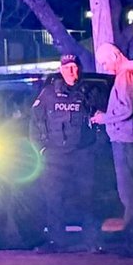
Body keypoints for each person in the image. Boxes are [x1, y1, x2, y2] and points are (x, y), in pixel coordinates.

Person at [29, 53, 102, 252]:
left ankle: (92, 241)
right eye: (68, 67)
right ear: (61, 70)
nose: (73, 71)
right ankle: (57, 241)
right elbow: (35, 122)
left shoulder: (90, 92)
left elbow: (102, 119)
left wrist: (95, 148)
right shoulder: (48, 94)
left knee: (87, 197)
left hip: (83, 153)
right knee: (53, 198)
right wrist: (40, 149)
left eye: (75, 67)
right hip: (55, 155)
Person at [90, 45, 133, 257]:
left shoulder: (127, 76)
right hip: (129, 139)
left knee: (130, 194)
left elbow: (125, 109)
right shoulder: (130, 74)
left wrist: (104, 118)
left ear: (114, 56)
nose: (105, 66)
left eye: (105, 61)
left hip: (126, 140)